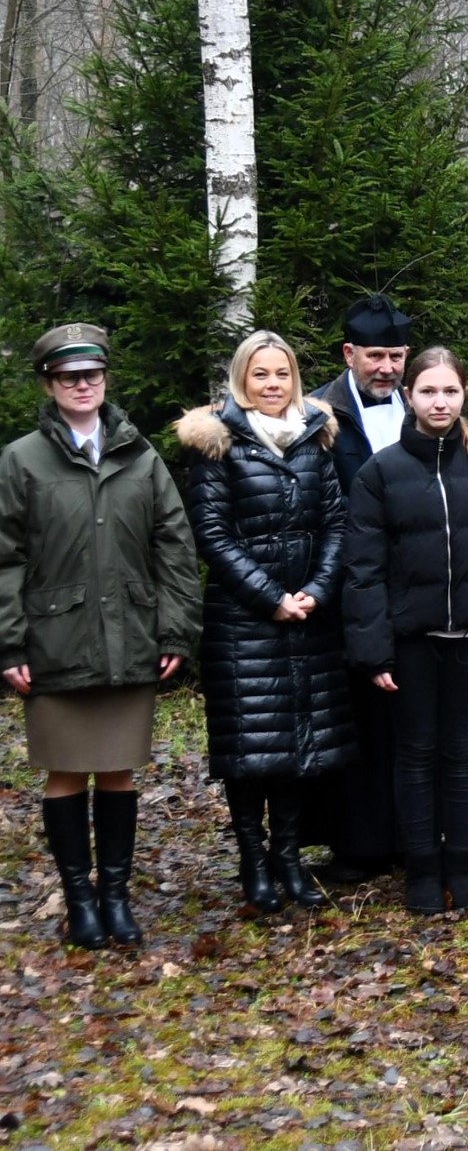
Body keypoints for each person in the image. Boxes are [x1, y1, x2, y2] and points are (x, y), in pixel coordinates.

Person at [0, 325, 200, 948]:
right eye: (68, 377)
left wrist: (175, 630)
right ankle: (79, 901)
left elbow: (174, 548)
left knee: (118, 772)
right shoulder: (21, 460)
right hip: (54, 643)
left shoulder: (141, 457)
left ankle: (115, 898)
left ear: (106, 379)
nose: (81, 385)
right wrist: (9, 643)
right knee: (65, 773)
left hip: (130, 636)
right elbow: (5, 558)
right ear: (49, 385)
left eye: (91, 374)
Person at [345, 348, 468, 913]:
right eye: (428, 391)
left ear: (464, 395)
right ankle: (422, 869)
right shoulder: (381, 473)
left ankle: (461, 864)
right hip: (412, 642)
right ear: (408, 395)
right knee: (415, 755)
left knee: (460, 753)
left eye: (449, 391)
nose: (439, 402)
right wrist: (374, 649)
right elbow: (364, 569)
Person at [176, 331, 355, 913]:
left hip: (308, 615)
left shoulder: (315, 436)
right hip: (243, 621)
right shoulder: (217, 442)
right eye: (261, 374)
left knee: (299, 744)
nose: (272, 384)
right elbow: (212, 534)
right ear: (241, 379)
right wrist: (270, 597)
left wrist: (316, 591)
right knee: (250, 750)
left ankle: (289, 858)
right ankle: (253, 862)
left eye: (282, 374)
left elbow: (336, 522)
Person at [307, 293, 412, 883]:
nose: (387, 368)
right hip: (345, 589)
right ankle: (355, 843)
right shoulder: (319, 416)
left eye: (396, 356)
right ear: (350, 354)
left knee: (405, 719)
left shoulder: (423, 407)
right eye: (375, 356)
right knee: (352, 718)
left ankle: (406, 835)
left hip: (414, 589)